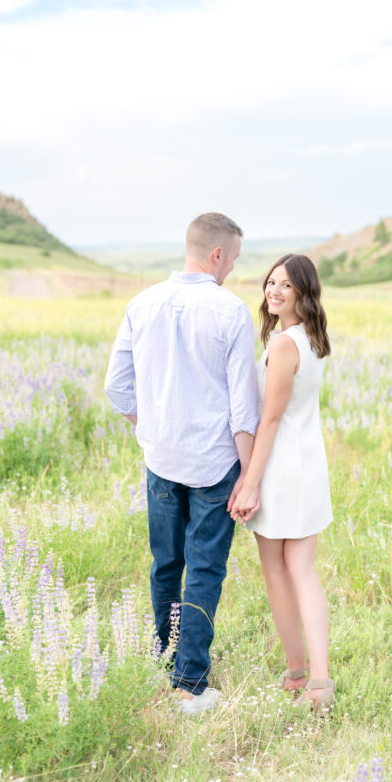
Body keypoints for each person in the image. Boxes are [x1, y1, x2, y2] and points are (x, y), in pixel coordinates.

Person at [104, 213, 259, 714]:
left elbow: (116, 387)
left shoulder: (140, 303)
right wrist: (249, 478)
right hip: (215, 465)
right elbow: (243, 409)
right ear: (217, 254)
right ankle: (190, 683)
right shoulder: (231, 312)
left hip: (161, 459)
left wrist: (150, 429)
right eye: (233, 258)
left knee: (166, 563)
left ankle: (162, 656)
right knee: (205, 569)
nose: (233, 267)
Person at [227, 254, 334, 713]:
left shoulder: (284, 345)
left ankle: (303, 670)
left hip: (281, 469)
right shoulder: (311, 339)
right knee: (301, 569)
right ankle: (313, 677)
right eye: (271, 283)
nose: (274, 291)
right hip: (309, 465)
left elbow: (269, 420)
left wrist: (249, 484)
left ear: (302, 293)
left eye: (285, 286)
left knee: (280, 569)